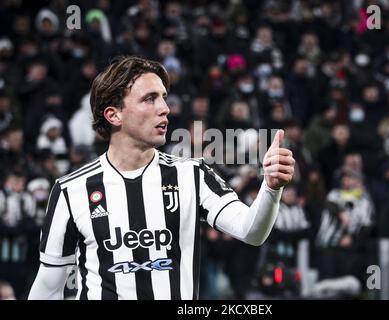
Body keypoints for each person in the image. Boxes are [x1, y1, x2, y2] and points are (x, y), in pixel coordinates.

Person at [28, 56, 295, 300]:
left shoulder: (192, 175)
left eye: (164, 97)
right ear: (114, 114)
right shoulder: (70, 191)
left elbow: (252, 231)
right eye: (149, 99)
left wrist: (271, 188)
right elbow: (49, 287)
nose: (165, 108)